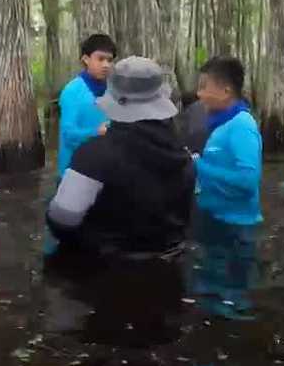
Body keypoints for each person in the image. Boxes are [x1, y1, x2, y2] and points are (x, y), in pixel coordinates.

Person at [46, 56, 195, 258]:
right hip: (170, 272)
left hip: (104, 273)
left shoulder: (94, 156)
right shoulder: (183, 156)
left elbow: (61, 220)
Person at [193, 56, 263, 226]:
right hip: (214, 220)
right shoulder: (221, 124)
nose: (198, 93)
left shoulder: (242, 125)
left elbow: (248, 181)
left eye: (203, 87)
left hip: (235, 228)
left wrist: (198, 166)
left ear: (225, 91)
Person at [57, 34, 116, 176]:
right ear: (86, 59)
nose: (106, 65)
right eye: (100, 59)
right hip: (74, 171)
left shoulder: (113, 90)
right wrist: (96, 132)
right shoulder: (72, 91)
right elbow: (68, 135)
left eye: (109, 60)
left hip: (105, 169)